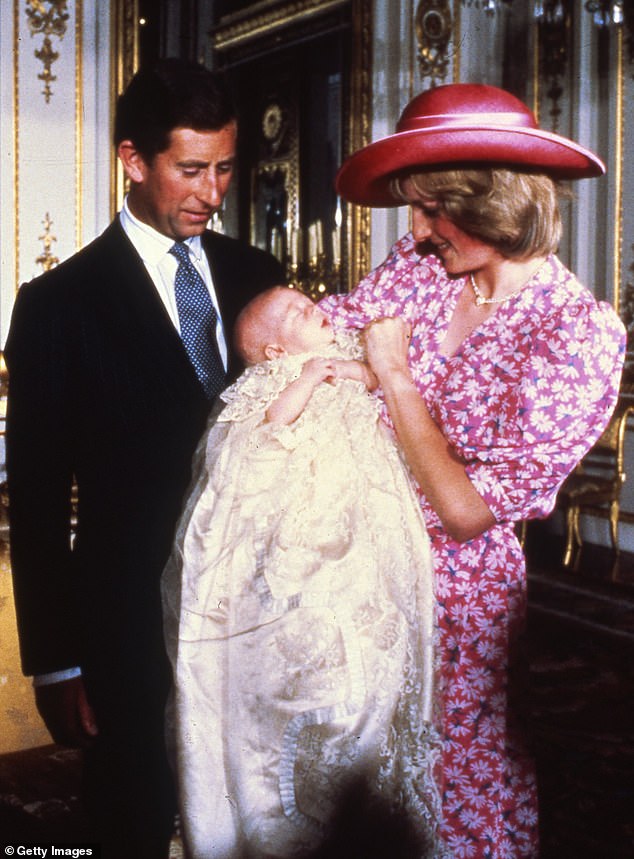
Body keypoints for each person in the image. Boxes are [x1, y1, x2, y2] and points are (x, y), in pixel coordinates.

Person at [318, 83, 626, 858]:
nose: (416, 230)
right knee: (353, 783)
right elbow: (325, 338)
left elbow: (463, 511)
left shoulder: (576, 334)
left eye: (432, 208)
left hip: (459, 598)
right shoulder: (423, 266)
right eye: (412, 208)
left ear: (494, 202)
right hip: (356, 565)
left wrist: (389, 376)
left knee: (457, 784)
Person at [4, 59, 284, 858]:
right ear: (135, 160)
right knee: (130, 813)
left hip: (257, 611)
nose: (213, 190)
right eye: (191, 169)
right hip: (127, 626)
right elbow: (35, 499)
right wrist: (54, 663)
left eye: (226, 167)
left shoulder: (256, 275)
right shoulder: (58, 307)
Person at [161, 286, 444, 859]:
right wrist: (311, 377)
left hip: (360, 508)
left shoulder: (340, 350)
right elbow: (270, 424)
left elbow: (373, 382)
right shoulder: (276, 378)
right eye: (293, 313)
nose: (312, 307)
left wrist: (355, 369)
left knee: (371, 629)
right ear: (272, 352)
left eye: (306, 300)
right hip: (300, 515)